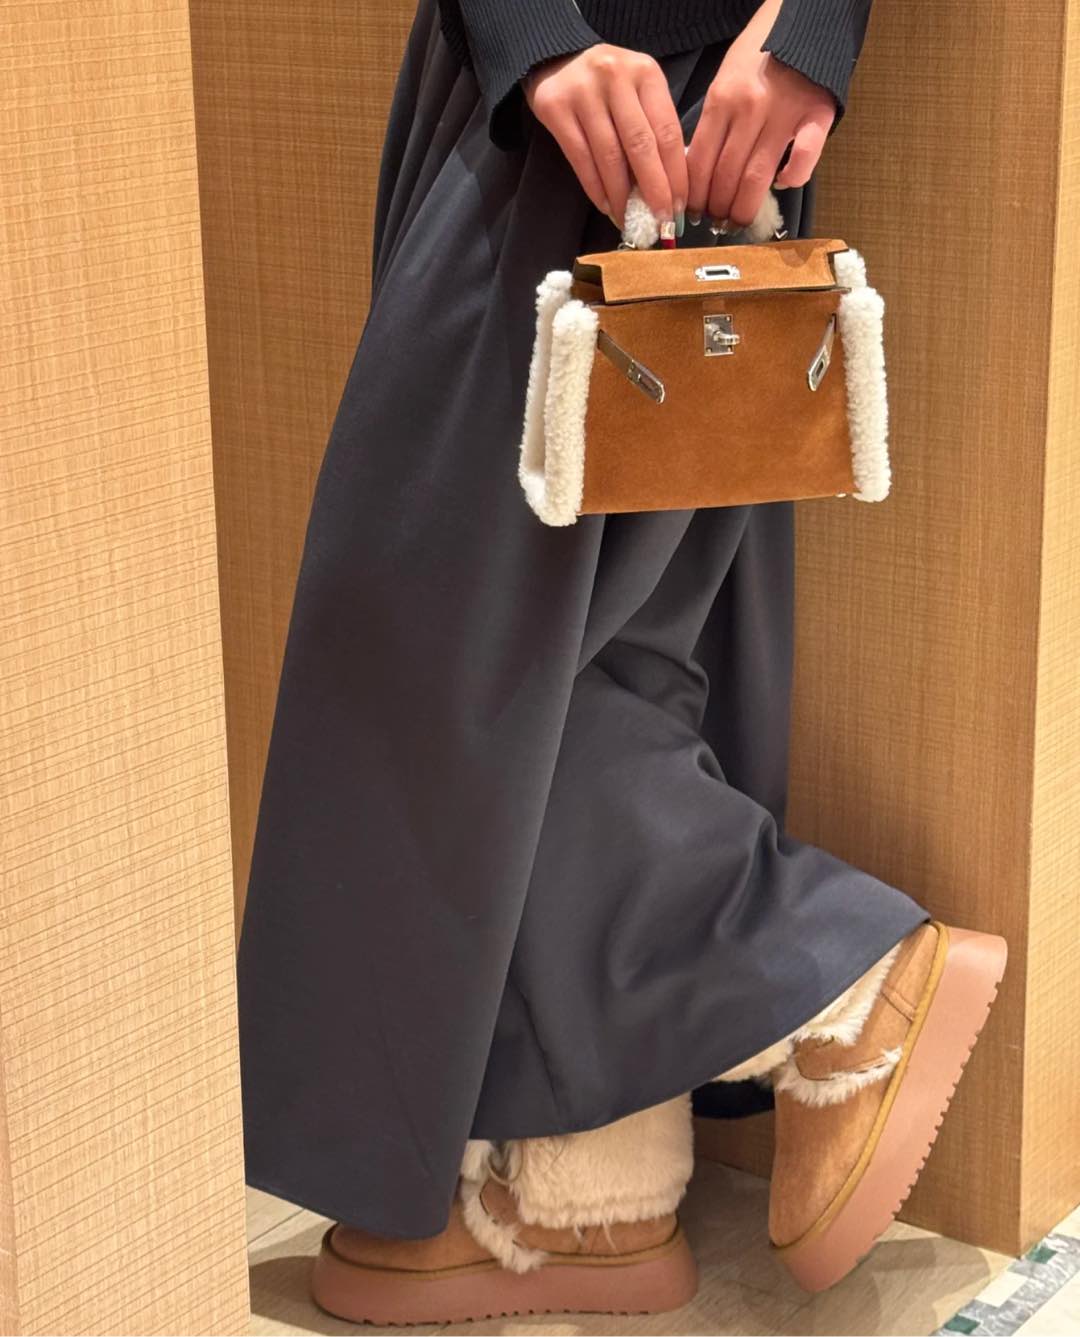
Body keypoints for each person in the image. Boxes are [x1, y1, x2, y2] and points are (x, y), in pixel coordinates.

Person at [234, 0, 1008, 1323]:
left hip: (627, 98)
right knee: (602, 644)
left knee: (453, 641)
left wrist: (804, 28)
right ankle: (588, 1195)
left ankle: (829, 974)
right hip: (593, 83)